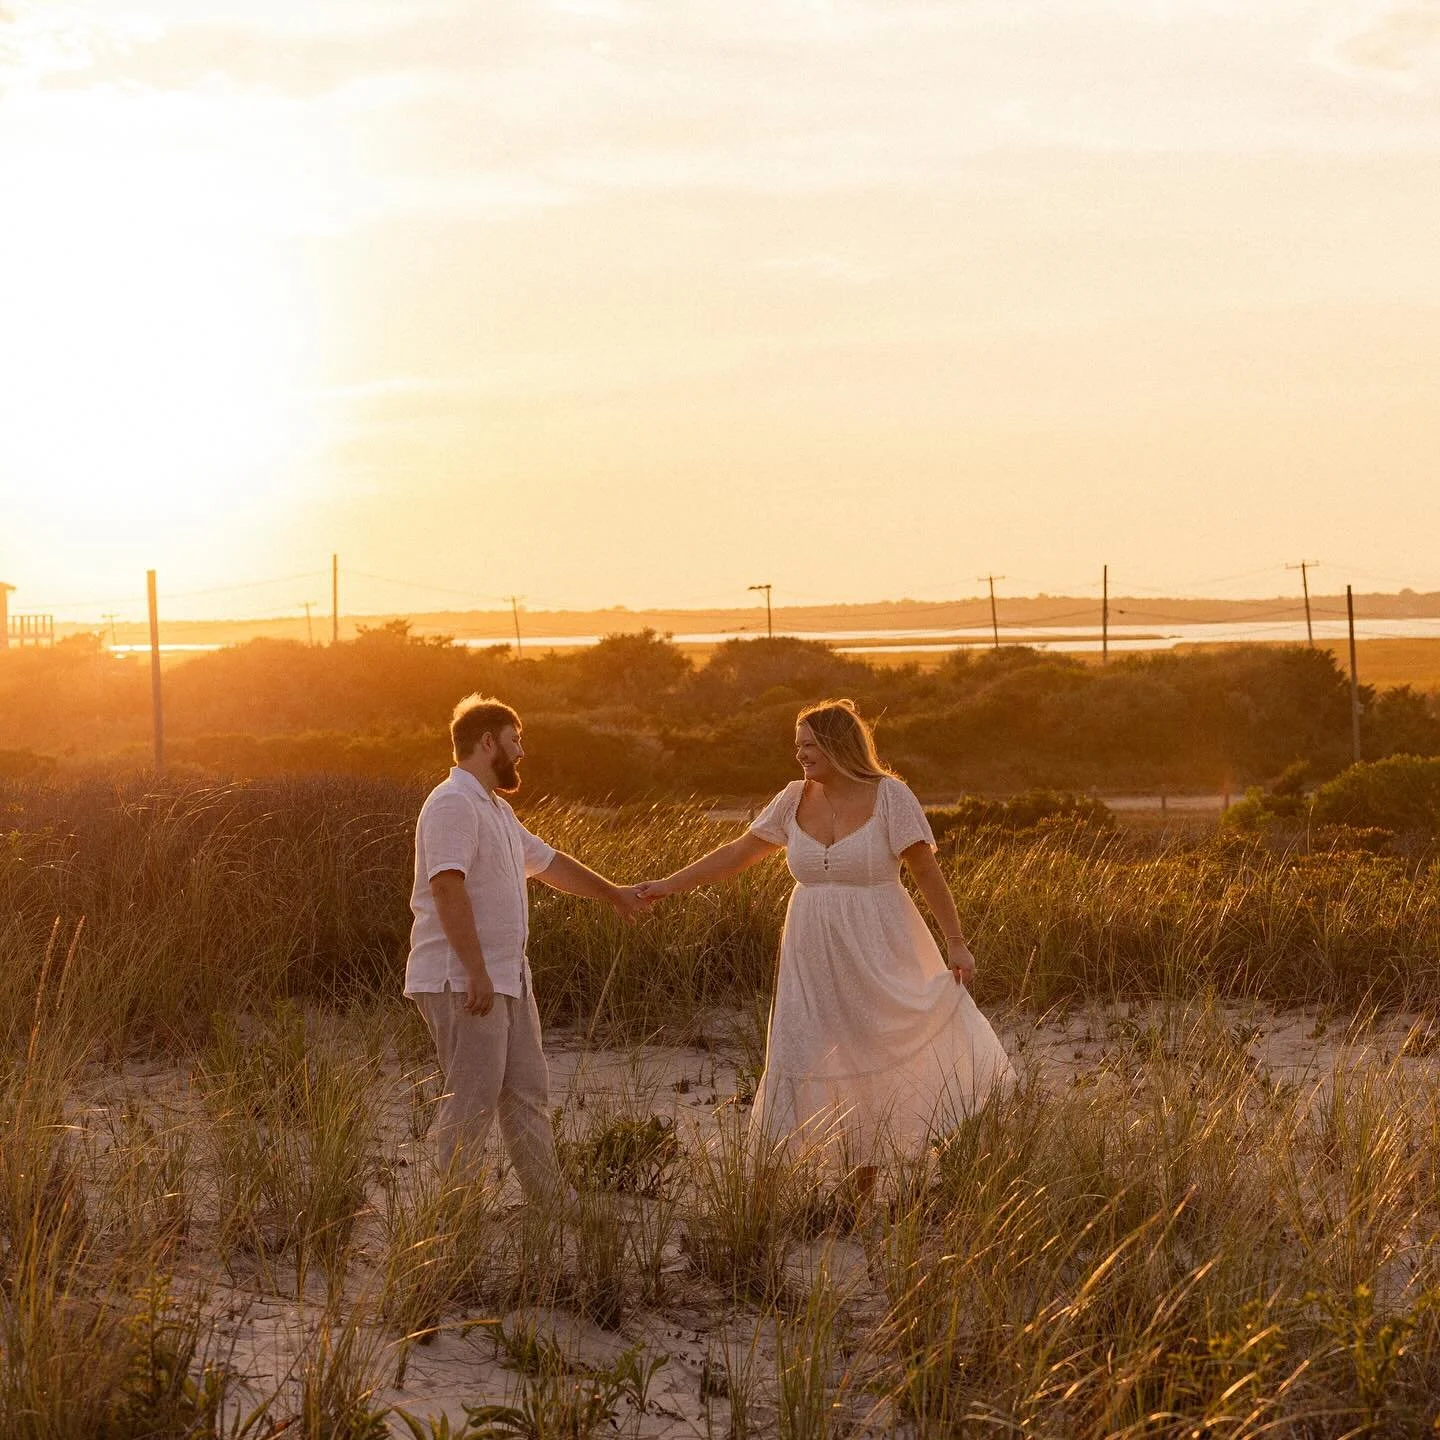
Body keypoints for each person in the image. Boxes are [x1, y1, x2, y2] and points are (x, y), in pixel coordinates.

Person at [637, 699, 1013, 1171]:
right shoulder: (793, 797)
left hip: (880, 941)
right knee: (806, 1046)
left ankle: (869, 1177)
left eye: (810, 746)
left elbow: (924, 868)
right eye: (798, 746)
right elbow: (738, 853)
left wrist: (956, 942)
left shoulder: (890, 796)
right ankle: (783, 1173)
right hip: (810, 947)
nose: (800, 756)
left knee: (874, 1044)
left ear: (839, 745)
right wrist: (668, 885)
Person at [406, 694, 646, 1196]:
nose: (521, 752)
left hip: (508, 976)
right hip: (464, 978)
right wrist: (476, 971)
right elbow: (446, 886)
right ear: (487, 742)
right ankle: (451, 1216)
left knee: (526, 1091)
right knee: (472, 1098)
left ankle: (551, 1203)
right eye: (515, 741)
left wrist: (613, 894)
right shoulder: (451, 803)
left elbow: (551, 864)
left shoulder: (496, 810)